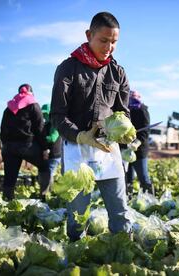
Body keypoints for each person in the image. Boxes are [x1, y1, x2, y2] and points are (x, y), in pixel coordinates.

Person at [50, 11, 134, 241]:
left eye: (114, 42)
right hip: (77, 147)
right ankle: (76, 254)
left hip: (108, 149)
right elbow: (57, 115)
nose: (109, 47)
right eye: (103, 40)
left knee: (120, 211)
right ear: (89, 35)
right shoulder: (68, 68)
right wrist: (80, 135)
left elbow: (123, 112)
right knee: (77, 214)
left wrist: (124, 130)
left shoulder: (118, 72)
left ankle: (123, 250)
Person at [0, 84, 50, 201]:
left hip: (9, 147)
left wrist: (5, 146)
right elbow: (39, 128)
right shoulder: (33, 105)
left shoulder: (9, 108)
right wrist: (44, 148)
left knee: (10, 176)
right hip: (27, 145)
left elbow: (3, 129)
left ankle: (8, 200)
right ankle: (44, 196)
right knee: (44, 166)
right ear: (31, 93)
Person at [125, 90, 154, 197]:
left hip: (139, 150)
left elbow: (146, 131)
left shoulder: (142, 110)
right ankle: (128, 198)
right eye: (130, 97)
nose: (132, 99)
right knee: (127, 177)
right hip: (126, 150)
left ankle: (150, 199)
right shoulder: (126, 110)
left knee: (143, 177)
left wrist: (137, 142)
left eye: (134, 97)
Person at [40, 104, 61, 201]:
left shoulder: (54, 124)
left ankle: (47, 195)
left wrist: (41, 139)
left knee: (49, 173)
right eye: (43, 114)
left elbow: (53, 138)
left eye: (46, 114)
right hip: (49, 154)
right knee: (48, 173)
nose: (44, 116)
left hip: (55, 154)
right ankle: (49, 194)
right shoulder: (47, 124)